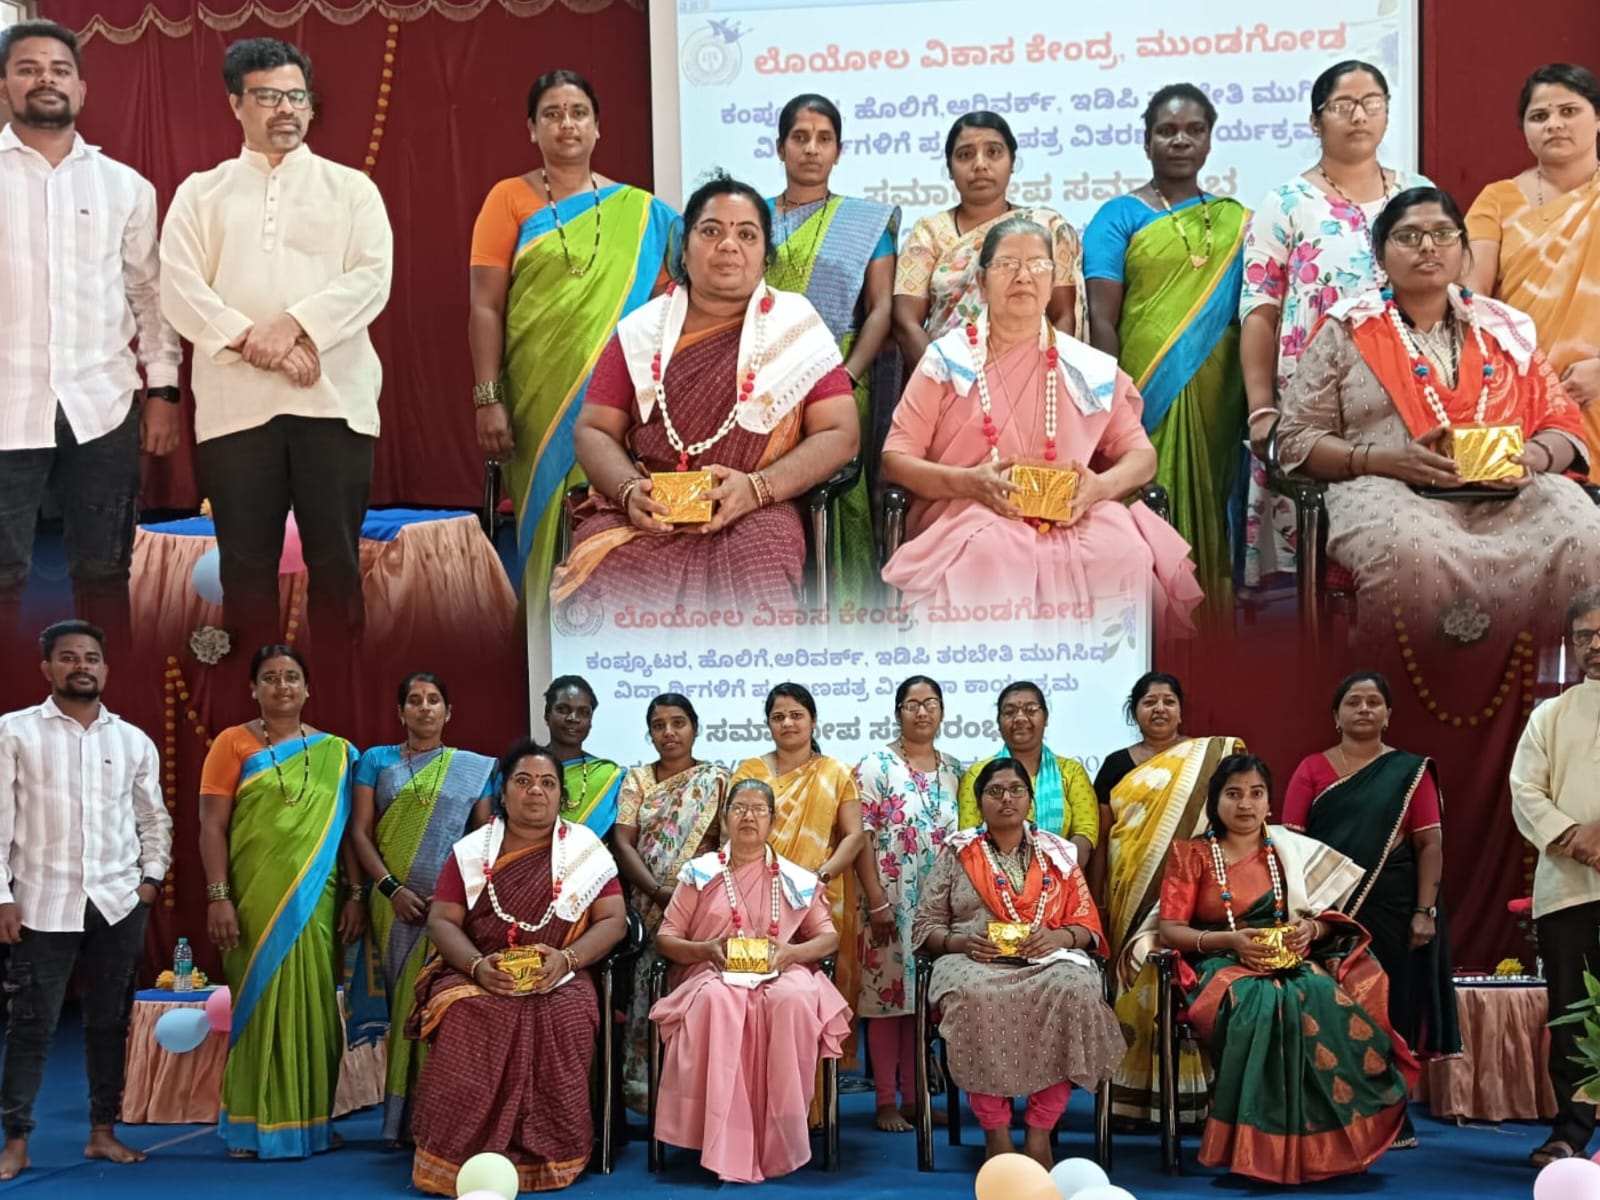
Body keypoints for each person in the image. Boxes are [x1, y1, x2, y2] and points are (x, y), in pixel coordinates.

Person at [1273, 186, 1600, 642]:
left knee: (1583, 531)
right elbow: (1296, 438)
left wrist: (1535, 457)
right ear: (1380, 255)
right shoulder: (1347, 329)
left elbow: (1561, 424)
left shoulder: (1502, 329)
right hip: (1389, 489)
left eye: (1443, 234)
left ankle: (1564, 685)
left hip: (1506, 492)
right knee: (1412, 551)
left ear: (1464, 252)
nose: (1428, 246)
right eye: (1408, 236)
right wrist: (1385, 460)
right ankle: (1403, 687)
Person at [160, 37, 394, 658]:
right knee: (245, 570)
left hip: (334, 403)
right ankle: (255, 702)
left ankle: (340, 694)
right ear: (235, 103)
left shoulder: (351, 189)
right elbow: (178, 288)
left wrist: (290, 325)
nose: (286, 108)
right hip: (235, 409)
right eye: (267, 96)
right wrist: (252, 340)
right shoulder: (201, 193)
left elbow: (372, 280)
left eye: (297, 96)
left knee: (337, 565)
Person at [550, 173, 858, 617]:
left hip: (755, 509)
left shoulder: (796, 326)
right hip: (649, 508)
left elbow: (840, 434)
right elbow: (594, 430)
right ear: (684, 248)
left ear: (765, 255)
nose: (728, 245)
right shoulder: (641, 332)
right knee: (609, 569)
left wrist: (756, 489)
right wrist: (630, 491)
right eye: (711, 231)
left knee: (759, 561)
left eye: (746, 234)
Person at [881, 215, 1202, 630]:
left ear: (1053, 284)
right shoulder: (947, 362)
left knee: (1124, 551)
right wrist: (970, 483)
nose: (1023, 276)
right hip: (970, 510)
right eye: (1006, 265)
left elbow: (1141, 456)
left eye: (1037, 265)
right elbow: (895, 460)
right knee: (993, 553)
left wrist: (1099, 487)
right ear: (982, 283)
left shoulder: (1085, 368)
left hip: (1073, 513)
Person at [0, 22, 183, 656]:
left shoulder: (124, 186)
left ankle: (114, 694)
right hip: (5, 406)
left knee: (105, 574)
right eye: (28, 68)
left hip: (102, 405)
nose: (45, 79)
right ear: (4, 86)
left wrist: (164, 390)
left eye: (59, 69)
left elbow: (150, 295)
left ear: (81, 88)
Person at [469, 70, 677, 622]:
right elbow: (485, 306)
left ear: (598, 126)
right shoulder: (507, 199)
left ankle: (596, 630)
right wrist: (488, 397)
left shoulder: (641, 211)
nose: (567, 124)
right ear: (532, 128)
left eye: (578, 112)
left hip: (617, 398)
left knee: (603, 514)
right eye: (553, 114)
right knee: (546, 523)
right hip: (535, 398)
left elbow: (671, 300)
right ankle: (542, 637)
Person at [1156, 753, 1416, 1184]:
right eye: (1233, 794)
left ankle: (1322, 1149)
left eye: (1256, 793)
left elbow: (1323, 920)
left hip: (1288, 959)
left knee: (1319, 994)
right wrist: (1231, 941)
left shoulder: (1289, 850)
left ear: (1269, 802)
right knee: (1261, 1001)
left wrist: (1311, 929)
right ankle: (1256, 1150)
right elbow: (1170, 930)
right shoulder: (1193, 853)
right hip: (1219, 962)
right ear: (1215, 802)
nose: (1245, 804)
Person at [1240, 60, 1429, 594]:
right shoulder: (1285, 203)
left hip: (1407, 392)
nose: (1359, 116)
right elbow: (1259, 309)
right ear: (1315, 120)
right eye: (1343, 105)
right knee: (1317, 555)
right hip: (1313, 397)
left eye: (1372, 103)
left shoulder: (1418, 195)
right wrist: (1261, 407)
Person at [409, 740, 626, 1193]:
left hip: (560, 974)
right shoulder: (471, 851)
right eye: (523, 781)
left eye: (548, 783)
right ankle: (457, 1158)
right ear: (503, 793)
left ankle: (550, 1155)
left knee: (565, 1015)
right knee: (466, 1013)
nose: (536, 791)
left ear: (562, 796)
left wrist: (566, 959)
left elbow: (613, 921)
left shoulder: (585, 850)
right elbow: (442, 921)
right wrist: (477, 966)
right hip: (479, 971)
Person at [0, 619, 171, 1181]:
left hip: (118, 905)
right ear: (46, 667)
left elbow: (153, 818)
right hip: (40, 904)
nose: (81, 666)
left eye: (91, 658)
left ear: (105, 668)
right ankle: (17, 1141)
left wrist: (150, 881)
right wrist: (1, 898)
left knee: (109, 1023)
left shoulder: (131, 740)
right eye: (69, 657)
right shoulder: (13, 732)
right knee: (31, 1026)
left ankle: (103, 1132)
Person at [911, 759, 1124, 1168]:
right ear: (979, 803)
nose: (1006, 798)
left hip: (1048, 960)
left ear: (1030, 800)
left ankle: (1040, 1131)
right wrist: (961, 941)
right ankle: (996, 1131)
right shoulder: (958, 852)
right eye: (995, 791)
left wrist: (1059, 937)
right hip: (974, 961)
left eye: (1016, 790)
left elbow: (1087, 925)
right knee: (975, 996)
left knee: (1076, 990)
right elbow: (926, 925)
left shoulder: (1057, 853)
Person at [198, 644, 364, 1159]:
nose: (282, 686)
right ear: (253, 688)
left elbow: (348, 833)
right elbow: (211, 826)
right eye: (269, 677)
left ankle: (311, 1123)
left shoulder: (339, 752)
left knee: (314, 1007)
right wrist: (219, 896)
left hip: (318, 901)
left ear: (308, 688)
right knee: (259, 1003)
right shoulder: (231, 743)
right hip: (253, 899)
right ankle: (252, 1127)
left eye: (291, 676)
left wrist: (357, 894)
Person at [1084, 84, 1247, 611]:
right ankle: (1155, 622)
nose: (1181, 140)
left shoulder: (1237, 219)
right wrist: (1114, 398)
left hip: (1221, 392)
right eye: (1167, 131)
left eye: (1194, 130)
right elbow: (1101, 318)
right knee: (1149, 500)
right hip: (1144, 388)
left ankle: (1215, 627)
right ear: (1146, 141)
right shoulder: (1117, 216)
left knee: (1215, 499)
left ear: (1209, 141)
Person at [1282, 670, 1460, 1149]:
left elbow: (1429, 844)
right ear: (1335, 715)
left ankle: (1393, 1116)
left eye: (1373, 702)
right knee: (1331, 1006)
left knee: (1390, 1008)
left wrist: (1425, 911)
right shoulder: (1312, 769)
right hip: (1327, 912)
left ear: (1387, 714)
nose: (1364, 709)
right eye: (1353, 702)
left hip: (1395, 907)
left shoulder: (1409, 772)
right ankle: (1331, 1113)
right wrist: (1302, 913)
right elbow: (1291, 845)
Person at [652, 778, 851, 1183]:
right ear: (725, 818)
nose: (748, 817)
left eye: (759, 810)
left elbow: (828, 937)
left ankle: (780, 1134)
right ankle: (723, 1140)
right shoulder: (700, 873)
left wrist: (791, 953)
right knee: (716, 1002)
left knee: (794, 999)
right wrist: (706, 949)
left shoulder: (794, 878)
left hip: (781, 970)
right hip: (715, 972)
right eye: (739, 808)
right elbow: (666, 938)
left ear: (772, 821)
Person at [347, 671, 496, 1147]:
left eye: (434, 700)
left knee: (442, 1005)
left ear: (449, 712)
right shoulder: (376, 761)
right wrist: (391, 888)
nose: (425, 708)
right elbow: (359, 832)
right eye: (415, 700)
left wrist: (455, 894)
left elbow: (484, 837)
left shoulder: (473, 767)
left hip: (451, 908)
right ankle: (399, 1123)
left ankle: (441, 1117)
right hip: (393, 904)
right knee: (404, 1006)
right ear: (400, 712)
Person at [767, 94, 900, 608]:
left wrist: (848, 376)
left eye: (824, 139)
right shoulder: (752, 218)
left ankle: (846, 615)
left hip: (841, 374)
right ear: (780, 147)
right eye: (800, 138)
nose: (811, 149)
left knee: (840, 498)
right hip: (763, 380)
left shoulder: (865, 223)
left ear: (839, 151)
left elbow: (881, 309)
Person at [1099, 672, 1243, 1125]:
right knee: (1132, 983)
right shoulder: (1115, 765)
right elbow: (1105, 836)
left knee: (1185, 986)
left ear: (1181, 710)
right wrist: (1099, 898)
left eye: (1168, 701)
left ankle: (1189, 1098)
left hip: (1192, 894)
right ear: (1134, 711)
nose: (1159, 709)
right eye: (1149, 702)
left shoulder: (1207, 759)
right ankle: (1130, 1099)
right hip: (1130, 891)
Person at [1510, 586, 1600, 1168]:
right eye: (1584, 635)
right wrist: (1577, 838)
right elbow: (1525, 792)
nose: (1595, 645)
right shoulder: (1550, 716)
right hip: (1569, 888)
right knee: (1572, 1014)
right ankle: (1571, 1131)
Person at [1466, 64, 1600, 449]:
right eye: (1539, 116)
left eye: (1569, 111)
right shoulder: (1496, 199)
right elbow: (1471, 301)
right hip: (1519, 388)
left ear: (1597, 119)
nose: (1554, 124)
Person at [732, 683, 865, 1068]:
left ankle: (814, 1095)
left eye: (796, 715)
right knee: (757, 991)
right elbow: (735, 831)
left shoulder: (836, 772)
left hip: (819, 895)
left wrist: (819, 877)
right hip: (756, 895)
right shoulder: (750, 771)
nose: (787, 723)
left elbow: (854, 836)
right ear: (768, 724)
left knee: (811, 995)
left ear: (813, 720)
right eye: (778, 717)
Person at [851, 675, 961, 1133]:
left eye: (930, 703)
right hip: (888, 901)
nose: (921, 711)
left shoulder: (955, 769)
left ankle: (916, 1099)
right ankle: (884, 1102)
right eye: (912, 704)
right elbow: (861, 837)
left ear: (942, 711)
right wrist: (877, 902)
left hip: (937, 907)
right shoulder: (875, 765)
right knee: (886, 1001)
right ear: (898, 712)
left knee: (920, 1003)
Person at [611, 692, 729, 1111]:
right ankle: (649, 1094)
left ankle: (699, 1098)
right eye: (659, 725)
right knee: (649, 994)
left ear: (695, 728)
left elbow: (727, 847)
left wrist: (690, 897)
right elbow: (623, 843)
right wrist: (658, 892)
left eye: (678, 723)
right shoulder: (637, 780)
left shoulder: (717, 780)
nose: (669, 732)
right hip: (648, 908)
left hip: (701, 910)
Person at [892, 111, 1081, 366]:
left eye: (993, 152)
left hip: (1032, 375)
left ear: (1012, 162)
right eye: (965, 155)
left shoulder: (1045, 227)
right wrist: (946, 378)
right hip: (947, 377)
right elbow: (906, 322)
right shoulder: (929, 233)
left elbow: (1063, 315)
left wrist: (1039, 375)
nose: (980, 165)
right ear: (950, 169)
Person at [956, 682, 1098, 865]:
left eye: (1031, 710)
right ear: (998, 722)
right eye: (1009, 712)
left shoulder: (1071, 772)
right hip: (993, 877)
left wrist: (1054, 873)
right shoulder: (977, 774)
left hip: (1061, 876)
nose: (1020, 718)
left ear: (1045, 718)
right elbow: (969, 837)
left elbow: (1085, 832)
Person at [540, 676, 623, 835]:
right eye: (563, 709)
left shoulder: (609, 775)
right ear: (547, 715)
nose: (573, 718)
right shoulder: (522, 770)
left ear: (590, 721)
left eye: (583, 712)